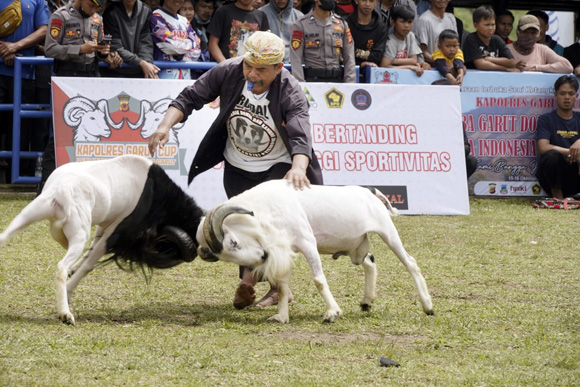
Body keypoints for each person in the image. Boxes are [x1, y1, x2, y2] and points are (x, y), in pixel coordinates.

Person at [147, 31, 323, 309]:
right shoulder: (228, 71)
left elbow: (302, 137)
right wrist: (164, 126)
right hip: (238, 166)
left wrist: (299, 168)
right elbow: (190, 97)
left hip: (276, 167)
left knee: (269, 227)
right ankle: (275, 289)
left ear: (279, 68)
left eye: (261, 70)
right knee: (243, 225)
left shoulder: (290, 91)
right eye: (248, 66)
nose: (252, 74)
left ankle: (256, 286)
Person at [0, 0, 49, 181]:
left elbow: (44, 29)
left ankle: (16, 181)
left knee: (20, 131)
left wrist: (16, 46)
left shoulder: (38, 1)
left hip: (25, 73)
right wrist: (4, 50)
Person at [536, 75, 580, 199]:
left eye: (571, 94)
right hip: (552, 179)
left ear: (576, 96)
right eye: (562, 93)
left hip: (576, 176)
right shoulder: (546, 119)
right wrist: (574, 153)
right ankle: (557, 196)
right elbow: (543, 147)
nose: (567, 97)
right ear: (555, 95)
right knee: (552, 155)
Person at [289, 0, 355, 83]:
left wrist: (350, 85)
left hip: (336, 81)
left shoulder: (342, 24)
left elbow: (349, 58)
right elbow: (296, 59)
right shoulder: (301, 25)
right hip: (312, 80)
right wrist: (301, 86)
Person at [102, 0, 160, 78]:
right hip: (116, 69)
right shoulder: (110, 12)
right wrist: (141, 62)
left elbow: (145, 42)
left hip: (140, 69)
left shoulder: (145, 10)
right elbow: (115, 46)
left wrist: (147, 63)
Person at [151, 0, 202, 79]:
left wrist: (179, 50)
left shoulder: (184, 20)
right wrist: (188, 46)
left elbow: (197, 50)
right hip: (164, 75)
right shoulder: (157, 16)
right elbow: (171, 46)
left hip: (186, 76)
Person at [507, 15, 572, 74]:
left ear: (538, 34)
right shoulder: (506, 49)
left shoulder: (542, 50)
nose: (529, 36)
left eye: (533, 33)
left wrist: (538, 68)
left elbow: (567, 67)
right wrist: (512, 67)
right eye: (525, 32)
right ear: (518, 32)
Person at [462, 5, 516, 72]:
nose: (490, 28)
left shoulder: (497, 39)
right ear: (476, 25)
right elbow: (480, 64)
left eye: (493, 24)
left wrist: (490, 59)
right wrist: (504, 69)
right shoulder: (471, 39)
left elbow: (512, 62)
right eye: (487, 25)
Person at [380, 5, 427, 77]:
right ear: (393, 22)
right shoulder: (390, 40)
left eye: (409, 22)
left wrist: (394, 60)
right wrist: (409, 67)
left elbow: (414, 60)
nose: (406, 26)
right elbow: (384, 66)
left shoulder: (410, 35)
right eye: (402, 22)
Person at [346, 0, 387, 81]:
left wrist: (354, 52)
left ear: (376, 2)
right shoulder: (346, 24)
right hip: (348, 70)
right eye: (364, 0)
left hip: (372, 72)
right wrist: (361, 64)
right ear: (356, 1)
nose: (367, 4)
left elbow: (377, 56)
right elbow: (343, 53)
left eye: (371, 1)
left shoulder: (381, 27)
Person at [415, 0, 456, 65]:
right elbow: (421, 51)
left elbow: (456, 46)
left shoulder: (451, 18)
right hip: (432, 69)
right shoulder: (424, 20)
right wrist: (442, 63)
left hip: (450, 66)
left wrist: (459, 64)